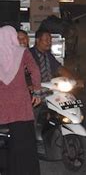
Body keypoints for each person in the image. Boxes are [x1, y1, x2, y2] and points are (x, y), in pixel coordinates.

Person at [0, 26, 42, 175]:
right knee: (24, 142)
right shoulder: (22, 52)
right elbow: (35, 70)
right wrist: (37, 92)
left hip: (2, 107)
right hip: (20, 106)